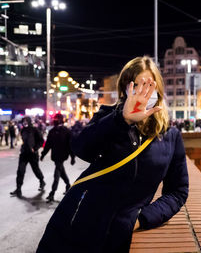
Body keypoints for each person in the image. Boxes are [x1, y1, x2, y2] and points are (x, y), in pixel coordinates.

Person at [36, 56, 189, 253]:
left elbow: (178, 191)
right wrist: (122, 120)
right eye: (136, 85)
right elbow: (82, 148)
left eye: (148, 84)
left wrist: (142, 218)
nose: (143, 91)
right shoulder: (107, 118)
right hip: (78, 223)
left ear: (158, 88)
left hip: (120, 234)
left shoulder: (170, 136)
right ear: (125, 89)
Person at [40, 113, 76, 202]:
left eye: (57, 119)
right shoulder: (52, 131)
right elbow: (48, 144)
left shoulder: (66, 131)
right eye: (54, 119)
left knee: (56, 174)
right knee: (61, 171)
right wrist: (43, 154)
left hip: (62, 155)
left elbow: (70, 145)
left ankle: (52, 193)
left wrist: (73, 157)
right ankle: (68, 185)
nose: (55, 120)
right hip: (55, 155)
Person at [10, 116, 45, 198]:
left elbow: (41, 140)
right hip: (24, 154)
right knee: (20, 171)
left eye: (26, 121)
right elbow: (23, 140)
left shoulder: (34, 129)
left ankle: (42, 181)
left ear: (29, 121)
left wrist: (35, 148)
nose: (24, 122)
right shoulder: (23, 130)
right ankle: (18, 189)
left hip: (32, 154)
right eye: (23, 121)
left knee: (36, 170)